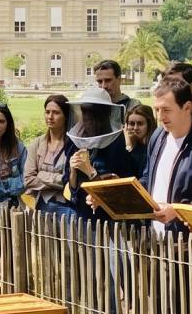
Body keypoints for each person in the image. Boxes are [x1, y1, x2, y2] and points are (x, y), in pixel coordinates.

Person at [146, 72, 192, 233]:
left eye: (166, 110)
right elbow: (148, 178)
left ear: (187, 107)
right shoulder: (157, 136)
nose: (160, 117)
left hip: (188, 244)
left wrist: (178, 210)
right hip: (154, 238)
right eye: (156, 110)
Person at [64, 84, 135, 221]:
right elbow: (71, 188)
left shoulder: (117, 143)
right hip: (81, 215)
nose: (87, 119)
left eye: (93, 114)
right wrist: (73, 170)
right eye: (85, 113)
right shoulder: (75, 141)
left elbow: (119, 188)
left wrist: (90, 171)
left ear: (105, 114)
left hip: (108, 219)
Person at [23, 95, 71, 213]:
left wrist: (41, 175)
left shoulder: (73, 144)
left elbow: (71, 181)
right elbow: (28, 179)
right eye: (47, 112)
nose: (50, 117)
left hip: (68, 207)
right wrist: (60, 180)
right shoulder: (37, 144)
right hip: (42, 205)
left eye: (56, 113)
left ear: (65, 116)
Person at [123, 101, 156, 179]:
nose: (135, 128)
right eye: (131, 123)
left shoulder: (153, 147)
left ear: (149, 125)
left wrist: (130, 147)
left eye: (140, 123)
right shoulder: (122, 144)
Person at [94, 59, 128, 126]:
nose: (103, 86)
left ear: (119, 80)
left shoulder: (133, 106)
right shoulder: (93, 107)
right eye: (100, 81)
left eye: (108, 80)